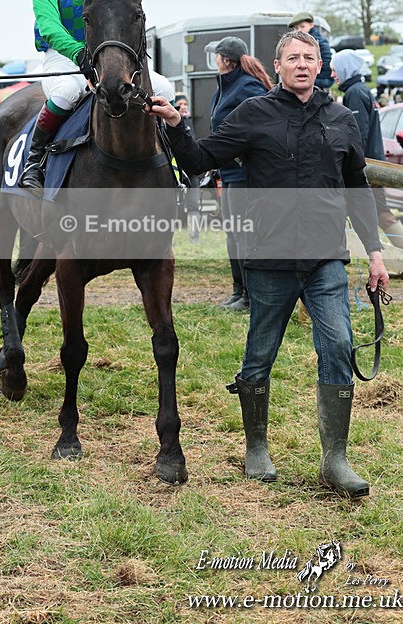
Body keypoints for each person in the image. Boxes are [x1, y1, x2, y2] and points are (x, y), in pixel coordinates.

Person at [148, 30, 389, 499]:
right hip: (268, 257)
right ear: (276, 67)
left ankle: (335, 459)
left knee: (339, 344)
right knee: (260, 354)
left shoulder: (341, 119)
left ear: (320, 66)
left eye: (309, 57)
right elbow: (200, 158)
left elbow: (357, 188)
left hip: (324, 258)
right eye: (292, 58)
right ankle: (256, 446)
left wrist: (375, 253)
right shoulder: (253, 113)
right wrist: (177, 123)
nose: (302, 64)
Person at [19, 0, 173, 194]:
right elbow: (48, 25)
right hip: (65, 54)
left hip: (111, 55)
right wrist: (79, 54)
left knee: (165, 88)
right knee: (67, 92)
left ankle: (178, 163)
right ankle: (34, 162)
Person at [205, 36, 272, 311]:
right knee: (232, 234)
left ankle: (251, 295)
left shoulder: (248, 87)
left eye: (216, 55)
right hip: (229, 171)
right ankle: (238, 289)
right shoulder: (224, 87)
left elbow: (261, 126)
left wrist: (240, 151)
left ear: (226, 60)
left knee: (243, 234)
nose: (214, 59)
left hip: (245, 173)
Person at [331, 49, 403, 252]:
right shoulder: (361, 89)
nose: (332, 75)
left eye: (335, 69)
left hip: (367, 166)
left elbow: (358, 134)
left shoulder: (354, 93)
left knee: (382, 213)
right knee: (373, 211)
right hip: (372, 161)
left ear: (345, 69)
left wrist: (352, 163)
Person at [174, 94, 202, 243]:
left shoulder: (189, 122)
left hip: (190, 172)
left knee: (194, 206)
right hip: (175, 172)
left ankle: (194, 238)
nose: (184, 107)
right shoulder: (168, 124)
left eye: (185, 104)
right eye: (180, 104)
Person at [288, 11, 334, 91]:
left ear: (311, 25)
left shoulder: (318, 42)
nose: (299, 30)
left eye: (302, 26)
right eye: (296, 28)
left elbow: (327, 60)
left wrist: (318, 80)